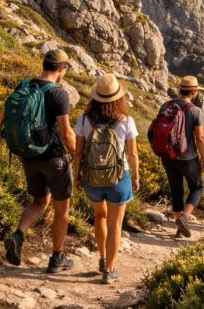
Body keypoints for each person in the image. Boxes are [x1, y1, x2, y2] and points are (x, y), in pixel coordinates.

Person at [4, 49, 77, 273]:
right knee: (61, 209)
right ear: (62, 69)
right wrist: (78, 156)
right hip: (53, 158)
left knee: (39, 201)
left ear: (44, 64)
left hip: (29, 155)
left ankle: (18, 235)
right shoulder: (59, 94)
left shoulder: (25, 85)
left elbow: (5, 117)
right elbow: (66, 133)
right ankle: (57, 257)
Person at [73, 74, 139, 284]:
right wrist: (136, 177)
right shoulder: (126, 121)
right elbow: (133, 154)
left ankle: (102, 258)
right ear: (118, 97)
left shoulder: (84, 119)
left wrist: (76, 176)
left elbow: (78, 152)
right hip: (119, 178)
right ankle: (109, 270)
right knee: (115, 224)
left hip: (91, 177)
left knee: (99, 216)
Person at [155, 76, 204, 238]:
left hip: (167, 156)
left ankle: (179, 227)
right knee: (197, 187)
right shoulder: (195, 111)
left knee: (176, 190)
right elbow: (200, 138)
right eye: (197, 91)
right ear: (193, 92)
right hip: (188, 157)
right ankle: (184, 217)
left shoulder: (166, 105)